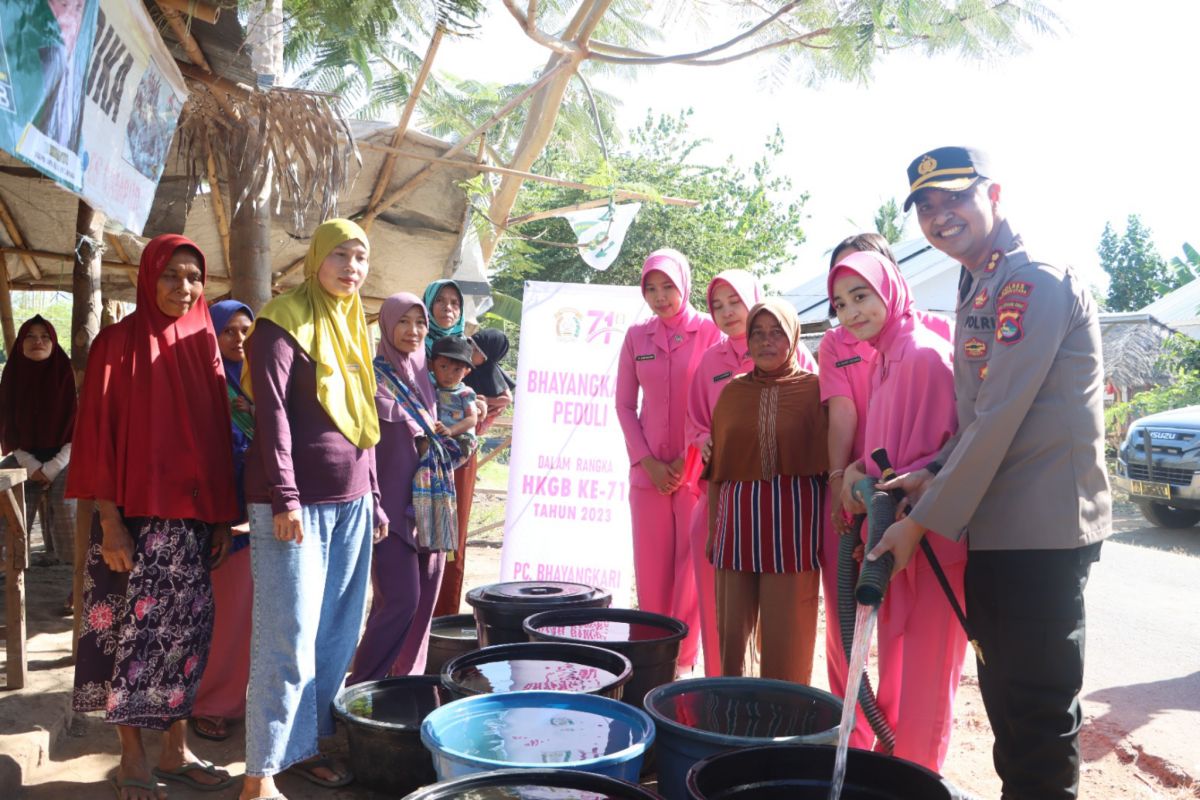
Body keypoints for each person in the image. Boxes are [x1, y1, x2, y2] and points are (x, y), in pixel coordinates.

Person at [869, 147, 1112, 798]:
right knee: (1007, 704)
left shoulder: (1032, 278)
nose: (939, 215)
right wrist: (929, 472)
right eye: (925, 205)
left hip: (1043, 531)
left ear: (994, 194)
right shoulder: (979, 280)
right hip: (997, 530)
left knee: (1035, 713)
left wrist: (918, 524)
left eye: (953, 197)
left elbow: (1001, 414)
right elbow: (975, 414)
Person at [68, 235, 237, 800]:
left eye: (193, 277)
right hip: (132, 523)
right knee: (124, 639)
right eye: (171, 275)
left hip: (190, 525)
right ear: (147, 276)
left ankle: (175, 750)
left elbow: (216, 437)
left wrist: (217, 518)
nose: (183, 288)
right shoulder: (116, 344)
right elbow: (95, 434)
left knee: (183, 640)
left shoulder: (203, 342)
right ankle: (131, 758)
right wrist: (110, 523)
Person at [239, 219, 387, 799]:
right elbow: (271, 416)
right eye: (341, 256)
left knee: (334, 638)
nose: (351, 267)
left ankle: (304, 746)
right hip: (293, 505)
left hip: (352, 501)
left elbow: (365, 420)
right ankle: (258, 774)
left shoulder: (356, 327)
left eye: (360, 257)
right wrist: (285, 496)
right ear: (317, 259)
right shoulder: (281, 321)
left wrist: (371, 492)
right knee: (287, 637)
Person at [829, 250, 966, 771]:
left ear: (890, 288)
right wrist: (855, 473)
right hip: (893, 545)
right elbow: (886, 447)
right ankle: (897, 773)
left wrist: (877, 487)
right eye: (841, 303)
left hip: (929, 545)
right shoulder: (883, 359)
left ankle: (918, 782)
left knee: (925, 690)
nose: (851, 312)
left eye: (861, 296)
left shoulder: (923, 355)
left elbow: (939, 457)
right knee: (898, 679)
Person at [684, 271, 818, 675]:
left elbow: (826, 460)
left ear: (793, 337)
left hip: (791, 534)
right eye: (757, 332)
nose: (764, 341)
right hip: (736, 530)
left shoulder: (813, 390)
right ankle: (733, 720)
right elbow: (718, 471)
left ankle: (788, 724)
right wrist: (713, 533)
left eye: (776, 332)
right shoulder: (733, 392)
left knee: (787, 634)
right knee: (732, 637)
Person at [616, 249, 722, 672]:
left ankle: (682, 664)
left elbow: (716, 405)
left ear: (685, 285)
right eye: (651, 289)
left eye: (668, 287)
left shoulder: (710, 332)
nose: (660, 297)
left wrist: (686, 461)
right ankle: (650, 662)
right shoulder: (636, 336)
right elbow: (625, 405)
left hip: (696, 475)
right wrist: (648, 463)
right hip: (648, 478)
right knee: (653, 573)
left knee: (691, 576)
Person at [349, 293, 450, 682]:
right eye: (403, 322)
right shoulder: (372, 377)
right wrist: (374, 501)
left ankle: (402, 680)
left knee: (424, 600)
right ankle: (362, 687)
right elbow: (365, 443)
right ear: (387, 325)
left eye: (420, 323)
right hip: (388, 507)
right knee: (400, 600)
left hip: (429, 504)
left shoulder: (426, 376)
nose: (413, 331)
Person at [189, 300, 255, 743]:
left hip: (260, 512)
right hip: (215, 514)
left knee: (245, 614)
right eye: (228, 330)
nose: (239, 340)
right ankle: (208, 703)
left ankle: (232, 697)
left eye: (246, 330)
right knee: (220, 614)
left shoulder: (260, 383)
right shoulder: (203, 384)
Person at [424, 279, 483, 617]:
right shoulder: (413, 348)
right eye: (441, 301)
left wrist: (478, 414)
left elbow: (497, 398)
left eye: (455, 303)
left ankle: (443, 621)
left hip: (459, 457)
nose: (448, 308)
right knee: (417, 535)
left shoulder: (470, 350)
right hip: (419, 453)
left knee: (452, 539)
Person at [0, 315, 77, 568]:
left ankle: (74, 574)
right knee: (5, 498)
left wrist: (53, 467)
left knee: (66, 505)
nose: (38, 341)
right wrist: (32, 466)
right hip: (25, 456)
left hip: (66, 455)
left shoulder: (67, 375)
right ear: (21, 342)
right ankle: (8, 565)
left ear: (54, 343)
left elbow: (78, 428)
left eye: (45, 337)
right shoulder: (11, 376)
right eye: (30, 336)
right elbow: (8, 427)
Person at [430, 335, 480, 460]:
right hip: (440, 437)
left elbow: (472, 419)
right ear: (432, 366)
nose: (449, 375)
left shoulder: (465, 393)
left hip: (461, 438)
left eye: (457, 369)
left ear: (466, 372)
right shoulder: (429, 387)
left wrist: (451, 430)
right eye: (443, 367)